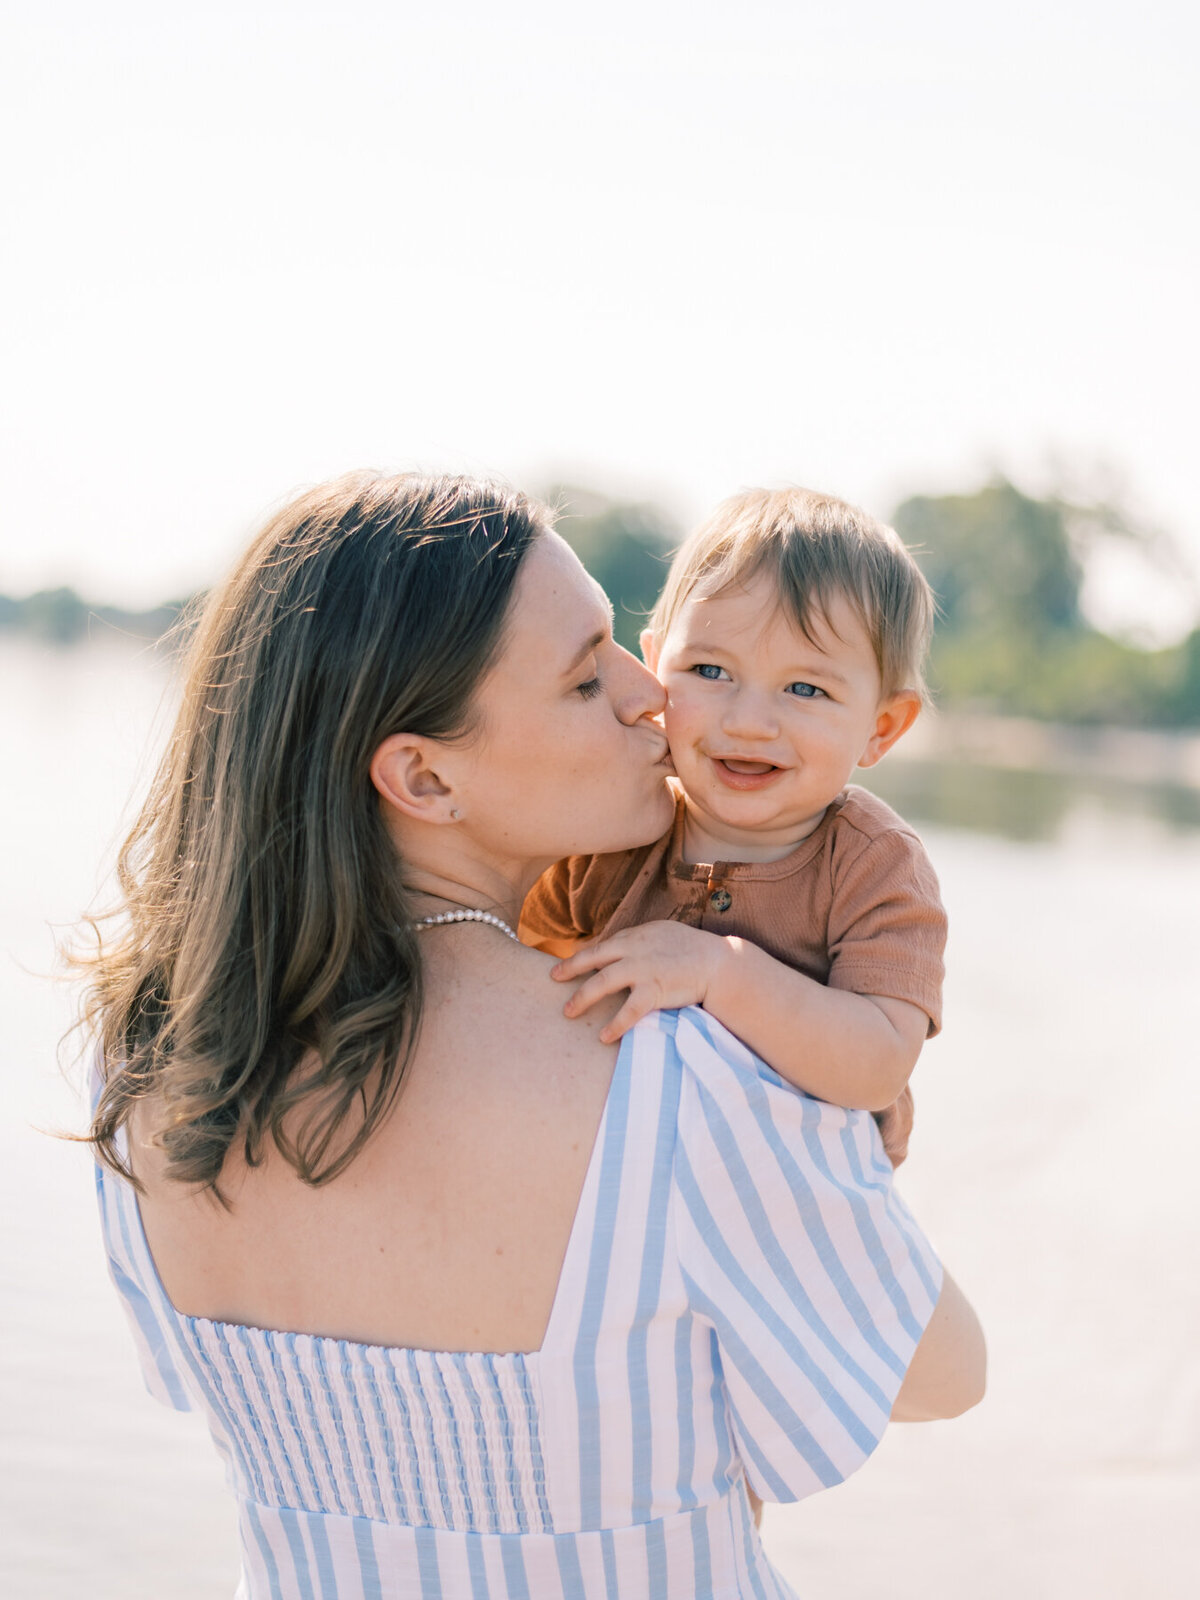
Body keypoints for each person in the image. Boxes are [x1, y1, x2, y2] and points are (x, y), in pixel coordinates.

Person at [82, 471, 984, 1598]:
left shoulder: (150, 1064)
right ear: (422, 774)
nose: (646, 696)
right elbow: (941, 1370)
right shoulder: (669, 1069)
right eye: (582, 675)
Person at [522, 487, 943, 1167]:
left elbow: (880, 1067)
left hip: (767, 1198)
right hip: (603, 1168)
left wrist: (721, 973)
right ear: (656, 665)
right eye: (710, 670)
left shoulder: (873, 864)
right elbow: (508, 963)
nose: (748, 720)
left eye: (806, 689)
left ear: (881, 727)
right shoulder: (614, 820)